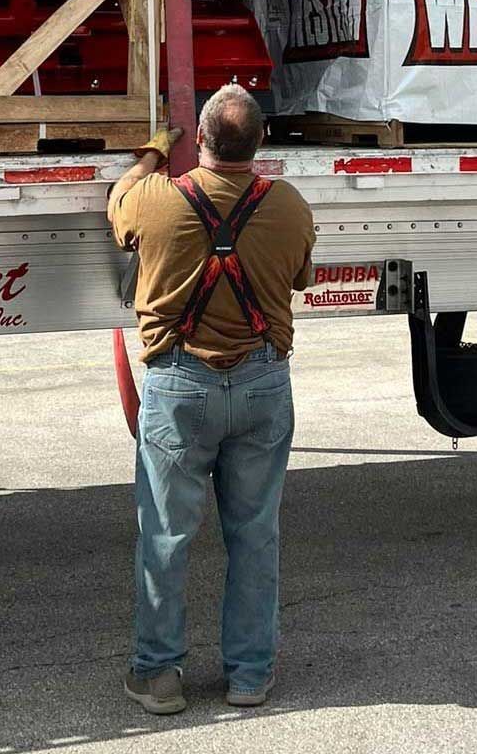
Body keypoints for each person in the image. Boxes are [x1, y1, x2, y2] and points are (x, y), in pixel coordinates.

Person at [108, 84, 315, 716]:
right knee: (254, 535)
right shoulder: (290, 208)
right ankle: (249, 676)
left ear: (199, 141)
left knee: (166, 537)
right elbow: (300, 277)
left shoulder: (155, 202)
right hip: (261, 383)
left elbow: (118, 200)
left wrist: (151, 151)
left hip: (179, 386)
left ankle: (160, 675)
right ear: (263, 143)